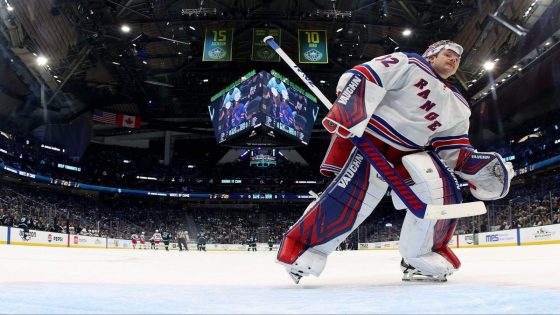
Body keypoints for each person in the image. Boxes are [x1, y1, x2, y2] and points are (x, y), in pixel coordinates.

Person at [276, 40, 515, 284]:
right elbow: (364, 74)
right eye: (448, 54)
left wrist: (474, 166)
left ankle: (420, 256)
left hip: (411, 153)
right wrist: (350, 109)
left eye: (457, 58)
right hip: (373, 141)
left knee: (442, 193)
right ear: (431, 56)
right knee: (350, 199)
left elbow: (453, 146)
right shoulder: (409, 62)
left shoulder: (458, 103)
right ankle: (302, 249)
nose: (454, 60)